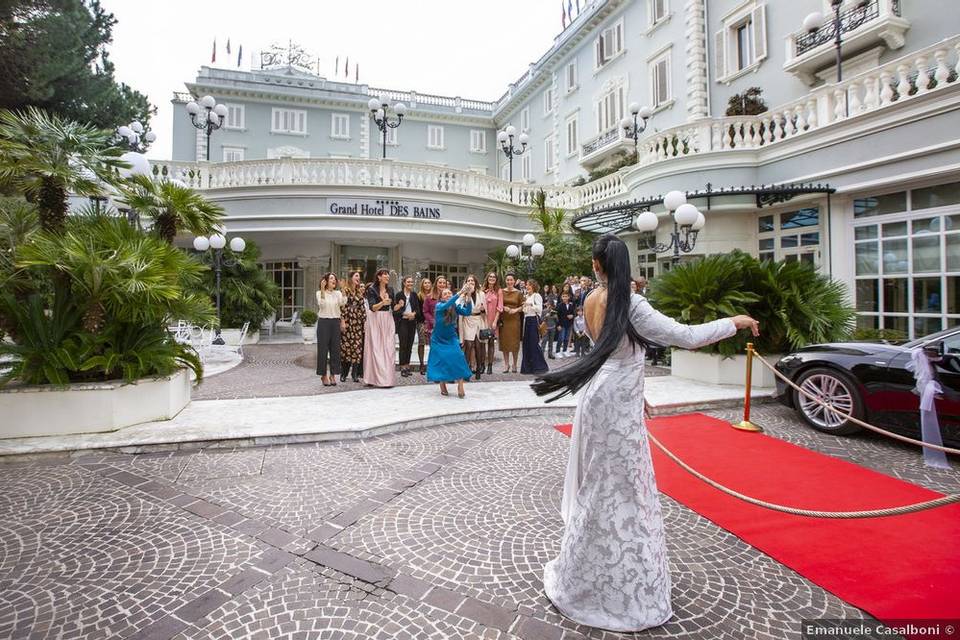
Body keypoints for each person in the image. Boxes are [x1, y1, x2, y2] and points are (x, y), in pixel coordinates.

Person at [531, 233, 759, 633]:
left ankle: (583, 575)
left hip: (599, 396)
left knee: (600, 485)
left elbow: (611, 354)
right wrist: (733, 323)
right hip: (615, 400)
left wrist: (636, 393)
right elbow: (684, 336)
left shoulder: (591, 300)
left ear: (598, 266)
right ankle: (621, 587)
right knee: (625, 489)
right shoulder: (631, 303)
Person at [427, 283, 477, 398]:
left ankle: (460, 384)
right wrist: (460, 293)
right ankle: (442, 384)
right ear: (441, 297)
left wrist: (468, 296)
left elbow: (468, 312)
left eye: (449, 293)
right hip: (438, 339)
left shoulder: (454, 306)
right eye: (445, 293)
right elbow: (447, 304)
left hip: (451, 338)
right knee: (441, 361)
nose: (448, 294)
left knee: (458, 357)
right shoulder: (439, 306)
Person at [363, 269, 397, 388]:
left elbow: (393, 307)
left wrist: (400, 305)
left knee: (389, 349)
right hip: (376, 319)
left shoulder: (391, 290)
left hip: (388, 319)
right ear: (379, 277)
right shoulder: (372, 289)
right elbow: (372, 308)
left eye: (388, 274)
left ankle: (387, 379)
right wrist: (383, 302)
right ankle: (372, 378)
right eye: (385, 274)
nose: (387, 276)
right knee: (376, 349)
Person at [315, 272, 345, 387]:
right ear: (326, 281)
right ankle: (323, 375)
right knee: (323, 350)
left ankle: (333, 374)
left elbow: (343, 303)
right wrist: (322, 289)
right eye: (331, 278)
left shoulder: (337, 293)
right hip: (324, 322)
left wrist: (343, 290)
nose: (334, 280)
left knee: (335, 350)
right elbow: (321, 305)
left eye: (335, 279)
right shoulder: (319, 293)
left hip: (335, 322)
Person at [458, 273, 487, 381]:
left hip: (478, 320)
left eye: (472, 281)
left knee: (478, 345)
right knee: (468, 345)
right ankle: (466, 371)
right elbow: (459, 308)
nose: (471, 282)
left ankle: (478, 369)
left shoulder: (481, 294)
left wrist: (484, 309)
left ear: (475, 283)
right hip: (467, 320)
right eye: (469, 281)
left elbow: (485, 311)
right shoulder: (463, 295)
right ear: (466, 283)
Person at [340, 271, 367, 383]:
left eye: (359, 277)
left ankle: (355, 374)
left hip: (357, 324)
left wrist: (364, 322)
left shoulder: (359, 293)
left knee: (357, 349)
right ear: (351, 278)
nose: (358, 278)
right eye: (356, 276)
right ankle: (344, 373)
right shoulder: (345, 291)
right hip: (347, 323)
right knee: (346, 349)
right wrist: (342, 321)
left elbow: (362, 309)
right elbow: (341, 306)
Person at [393, 276, 421, 378]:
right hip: (403, 322)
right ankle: (402, 367)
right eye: (408, 282)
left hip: (412, 322)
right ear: (404, 283)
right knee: (403, 345)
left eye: (411, 282)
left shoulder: (414, 295)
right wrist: (405, 315)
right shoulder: (399, 295)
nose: (410, 283)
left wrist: (413, 314)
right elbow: (395, 311)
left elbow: (418, 309)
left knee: (409, 345)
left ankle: (407, 365)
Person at [520, 279, 549, 375]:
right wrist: (525, 307)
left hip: (533, 320)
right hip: (526, 320)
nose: (527, 286)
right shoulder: (526, 296)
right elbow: (525, 311)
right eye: (527, 285)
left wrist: (530, 304)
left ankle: (540, 367)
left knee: (534, 343)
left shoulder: (537, 296)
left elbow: (539, 309)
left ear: (533, 286)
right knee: (526, 344)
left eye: (529, 285)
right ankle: (527, 368)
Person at [499, 273, 523, 373]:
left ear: (514, 281)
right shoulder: (501, 291)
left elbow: (523, 306)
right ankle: (506, 364)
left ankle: (514, 364)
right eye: (507, 280)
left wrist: (515, 310)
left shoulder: (518, 293)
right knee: (505, 343)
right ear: (505, 281)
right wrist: (503, 307)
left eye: (511, 280)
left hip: (514, 320)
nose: (509, 282)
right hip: (504, 319)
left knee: (514, 343)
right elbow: (498, 304)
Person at [482, 272, 503, 376]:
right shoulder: (482, 290)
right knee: (481, 343)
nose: (492, 278)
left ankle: (490, 365)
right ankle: (481, 365)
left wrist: (495, 321)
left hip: (492, 320)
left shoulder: (498, 291)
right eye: (490, 276)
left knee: (490, 342)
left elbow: (500, 308)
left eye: (494, 277)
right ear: (487, 278)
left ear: (496, 279)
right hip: (482, 320)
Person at [417, 278, 436, 375]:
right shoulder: (419, 296)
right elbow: (419, 310)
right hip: (422, 322)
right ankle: (421, 365)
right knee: (422, 343)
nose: (427, 284)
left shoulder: (434, 295)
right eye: (425, 283)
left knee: (432, 343)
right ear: (422, 285)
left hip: (432, 322)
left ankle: (431, 364)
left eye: (429, 282)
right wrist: (424, 322)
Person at [555, 291, 576, 358]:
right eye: (563, 296)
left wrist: (572, 316)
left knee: (566, 338)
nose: (564, 298)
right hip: (561, 325)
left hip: (569, 324)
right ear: (561, 297)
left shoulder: (571, 305)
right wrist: (558, 325)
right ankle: (557, 351)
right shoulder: (559, 305)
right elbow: (556, 316)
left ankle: (564, 350)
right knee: (561, 338)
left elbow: (573, 313)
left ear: (569, 297)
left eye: (566, 296)